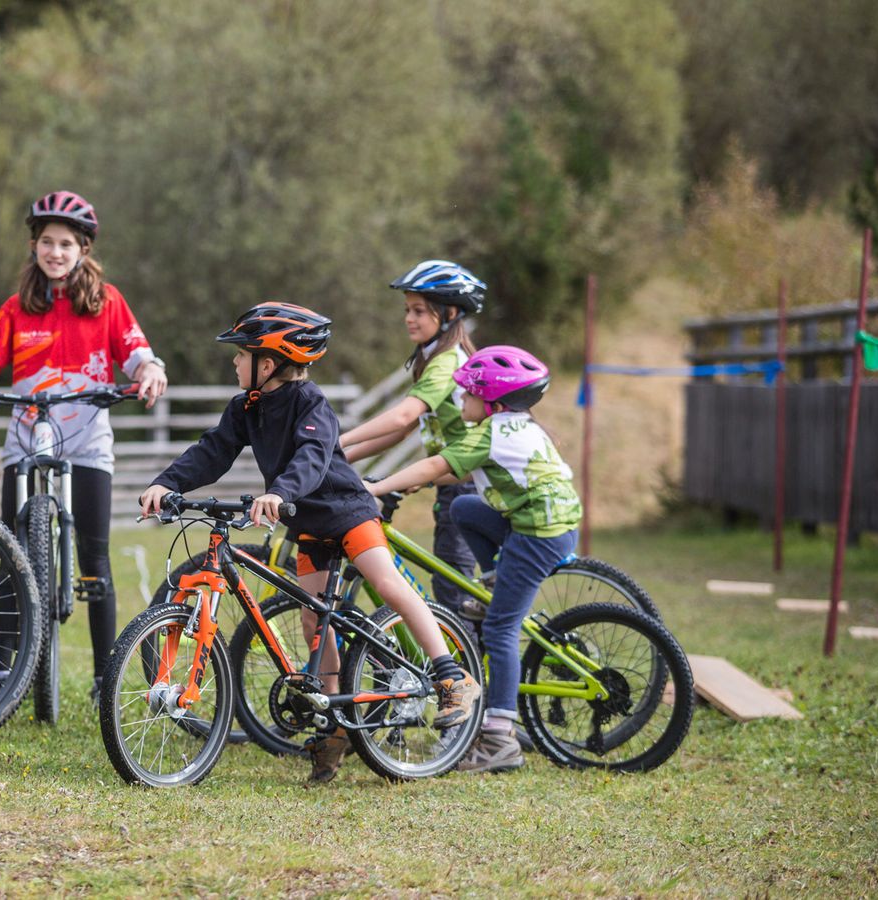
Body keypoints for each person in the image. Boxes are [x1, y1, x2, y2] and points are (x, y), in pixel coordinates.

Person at [139, 303, 481, 785]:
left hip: (348, 512)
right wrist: (166, 483)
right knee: (313, 619)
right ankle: (334, 726)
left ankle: (451, 676)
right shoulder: (247, 407)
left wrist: (279, 492)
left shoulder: (310, 402)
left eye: (242, 355)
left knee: (386, 582)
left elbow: (313, 457)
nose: (235, 364)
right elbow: (212, 450)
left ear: (271, 361)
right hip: (308, 525)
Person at [0, 190, 168, 703]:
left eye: (66, 244)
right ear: (34, 247)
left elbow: (138, 356)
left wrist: (151, 373)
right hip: (27, 439)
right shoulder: (16, 309)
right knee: (12, 555)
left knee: (95, 560)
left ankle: (105, 677)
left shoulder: (108, 302)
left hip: (88, 441)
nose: (56, 252)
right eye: (47, 243)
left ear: (83, 250)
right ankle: (2, 677)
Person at [365, 345, 581, 773]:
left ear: (492, 401)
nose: (460, 401)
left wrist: (376, 487)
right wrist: (405, 486)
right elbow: (456, 472)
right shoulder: (514, 425)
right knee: (463, 508)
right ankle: (495, 581)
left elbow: (434, 466)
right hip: (543, 524)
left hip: (537, 535)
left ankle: (500, 738)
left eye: (467, 395)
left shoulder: (490, 432)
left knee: (500, 628)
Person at [340, 260, 484, 618]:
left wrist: (336, 443)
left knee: (452, 594)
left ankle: (466, 666)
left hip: (470, 487)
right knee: (450, 585)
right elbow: (404, 430)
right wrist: (344, 458)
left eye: (419, 311)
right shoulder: (432, 357)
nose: (409, 318)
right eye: (407, 310)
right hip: (450, 482)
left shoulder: (448, 361)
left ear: (450, 312)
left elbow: (403, 415)